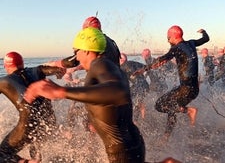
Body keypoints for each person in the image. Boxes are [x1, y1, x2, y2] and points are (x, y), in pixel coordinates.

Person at [24, 27, 145, 163]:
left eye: (76, 52)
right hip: (132, 143)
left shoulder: (100, 64)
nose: (76, 57)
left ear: (86, 50)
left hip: (122, 152)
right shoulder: (109, 66)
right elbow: (108, 100)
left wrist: (61, 92)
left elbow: (117, 91)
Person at [134, 26, 209, 139]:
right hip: (194, 90)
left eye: (168, 38)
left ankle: (189, 111)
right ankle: (166, 137)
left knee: (159, 105)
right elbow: (206, 39)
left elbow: (161, 60)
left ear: (173, 37)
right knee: (172, 107)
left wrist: (143, 69)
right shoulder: (192, 43)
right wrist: (204, 32)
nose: (168, 41)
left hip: (185, 89)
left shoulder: (176, 48)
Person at [0, 51, 66, 163]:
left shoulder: (3, 81)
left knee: (2, 153)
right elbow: (59, 68)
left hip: (28, 124)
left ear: (5, 66)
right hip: (48, 122)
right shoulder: (36, 70)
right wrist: (61, 70)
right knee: (35, 144)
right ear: (22, 63)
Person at [120, 53, 149, 123]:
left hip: (138, 86)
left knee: (132, 102)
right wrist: (143, 77)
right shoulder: (134, 63)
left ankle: (135, 121)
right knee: (139, 102)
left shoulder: (122, 67)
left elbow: (123, 82)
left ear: (121, 60)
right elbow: (147, 67)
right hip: (145, 85)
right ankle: (143, 119)